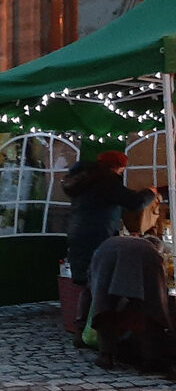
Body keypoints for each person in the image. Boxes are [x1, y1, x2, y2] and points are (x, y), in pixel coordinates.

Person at [62, 150, 157, 344]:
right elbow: (135, 203)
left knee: (87, 285)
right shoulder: (106, 180)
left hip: (78, 234)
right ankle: (99, 336)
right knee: (99, 286)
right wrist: (151, 193)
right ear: (118, 166)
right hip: (98, 236)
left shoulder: (85, 179)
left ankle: (82, 331)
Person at [86, 235, 175, 376]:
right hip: (132, 256)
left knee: (104, 306)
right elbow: (158, 295)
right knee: (151, 308)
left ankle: (106, 355)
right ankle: (151, 358)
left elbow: (92, 288)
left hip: (106, 256)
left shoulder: (112, 243)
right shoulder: (150, 251)